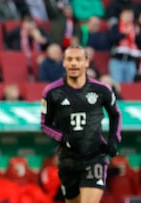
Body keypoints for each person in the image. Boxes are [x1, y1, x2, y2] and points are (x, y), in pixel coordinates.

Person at [40, 45, 122, 203]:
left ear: (86, 62)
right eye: (69, 59)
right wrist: (64, 138)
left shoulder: (101, 90)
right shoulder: (52, 92)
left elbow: (115, 115)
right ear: (63, 62)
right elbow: (45, 125)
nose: (73, 63)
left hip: (94, 157)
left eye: (78, 59)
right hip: (68, 161)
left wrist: (113, 139)